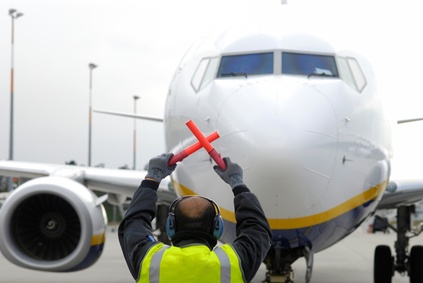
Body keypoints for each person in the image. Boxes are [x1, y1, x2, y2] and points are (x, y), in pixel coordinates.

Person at [118, 153, 272, 282]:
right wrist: (238, 184)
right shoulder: (232, 263)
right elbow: (257, 230)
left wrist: (152, 179)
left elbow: (133, 223)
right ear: (217, 227)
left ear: (170, 226)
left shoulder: (150, 261)